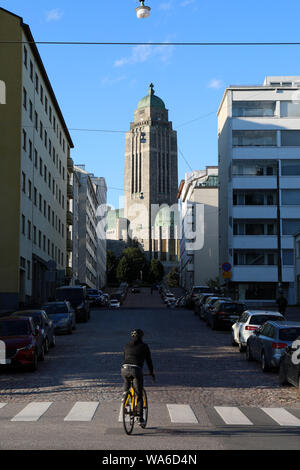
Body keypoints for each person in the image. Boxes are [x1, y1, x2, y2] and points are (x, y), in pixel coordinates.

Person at [121, 329, 155, 425]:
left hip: (124, 368)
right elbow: (149, 361)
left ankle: (124, 394)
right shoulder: (144, 346)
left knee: (126, 379)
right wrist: (151, 372)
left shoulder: (126, 345)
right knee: (139, 393)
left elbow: (124, 358)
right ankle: (140, 418)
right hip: (136, 370)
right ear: (141, 337)